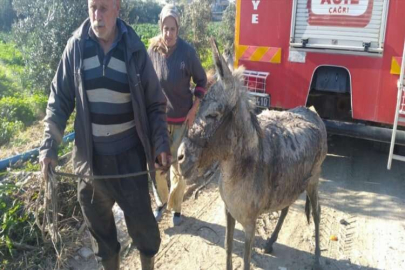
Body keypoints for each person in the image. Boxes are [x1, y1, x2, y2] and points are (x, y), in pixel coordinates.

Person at [39, 0, 171, 269]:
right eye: (92, 7)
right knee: (102, 239)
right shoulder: (75, 47)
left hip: (129, 161)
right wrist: (49, 146)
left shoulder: (133, 49)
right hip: (91, 161)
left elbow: (155, 103)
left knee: (144, 229)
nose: (97, 16)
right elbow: (59, 100)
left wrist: (160, 143)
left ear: (117, 8)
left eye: (104, 8)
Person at [148, 4, 207, 226]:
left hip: (182, 120)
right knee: (157, 166)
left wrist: (194, 109)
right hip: (159, 122)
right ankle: (162, 202)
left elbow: (201, 81)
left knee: (179, 168)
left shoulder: (187, 53)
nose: (169, 34)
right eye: (165, 28)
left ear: (178, 28)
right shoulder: (153, 51)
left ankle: (177, 209)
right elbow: (145, 81)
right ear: (161, 27)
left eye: (173, 29)